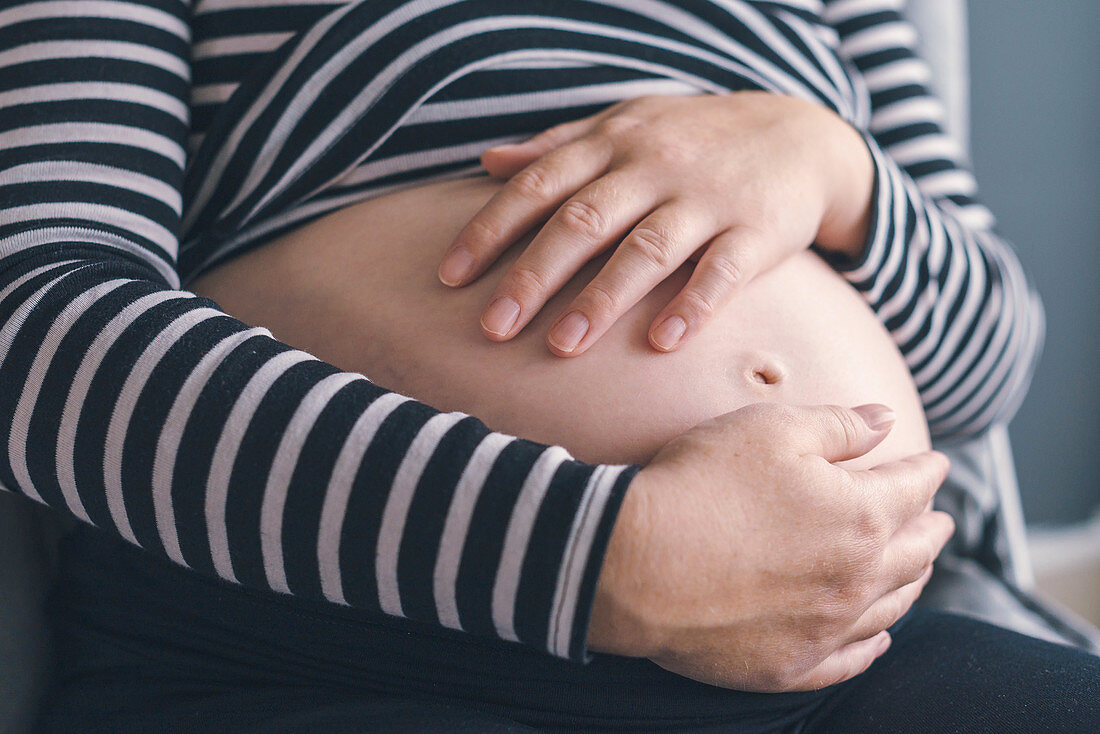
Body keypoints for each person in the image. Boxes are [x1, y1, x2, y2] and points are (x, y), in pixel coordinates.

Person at [0, 0, 1095, 731]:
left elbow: (984, 362)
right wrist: (599, 555)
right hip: (332, 646)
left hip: (832, 663)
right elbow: (37, 323)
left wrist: (831, 165)